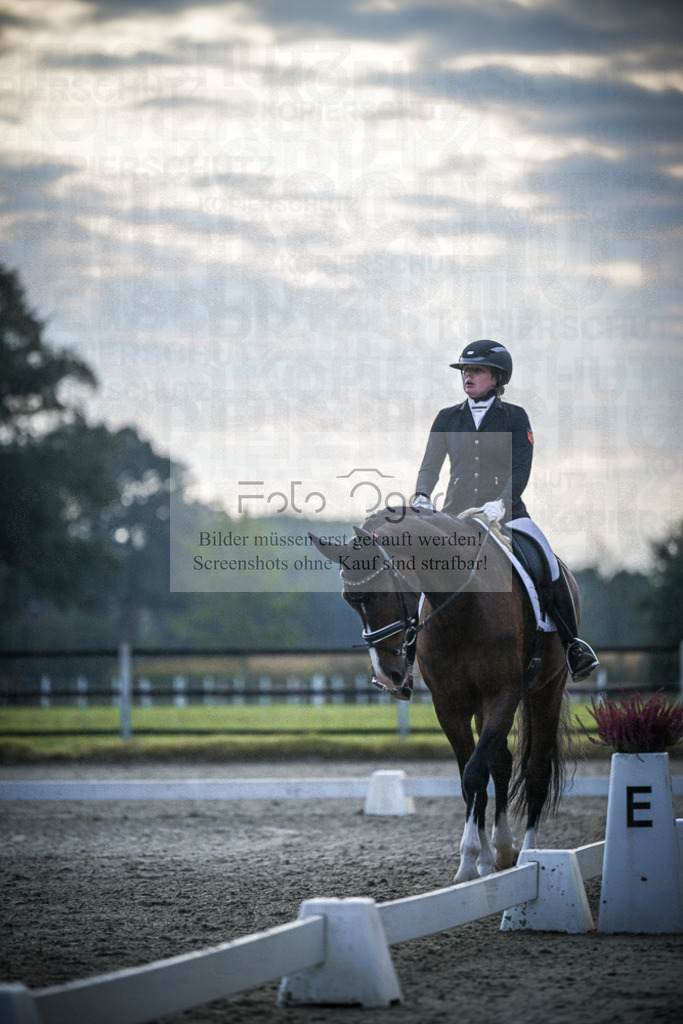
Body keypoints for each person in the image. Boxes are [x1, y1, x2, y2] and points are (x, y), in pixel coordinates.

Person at [412, 339, 599, 682]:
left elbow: (521, 468)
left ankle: (573, 646)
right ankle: (407, 653)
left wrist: (502, 501)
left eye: (476, 370)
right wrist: (422, 495)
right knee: (419, 568)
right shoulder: (447, 418)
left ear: (497, 378)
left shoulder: (515, 417)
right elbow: (430, 466)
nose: (467, 376)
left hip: (507, 513)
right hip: (456, 516)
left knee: (546, 562)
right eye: (465, 370)